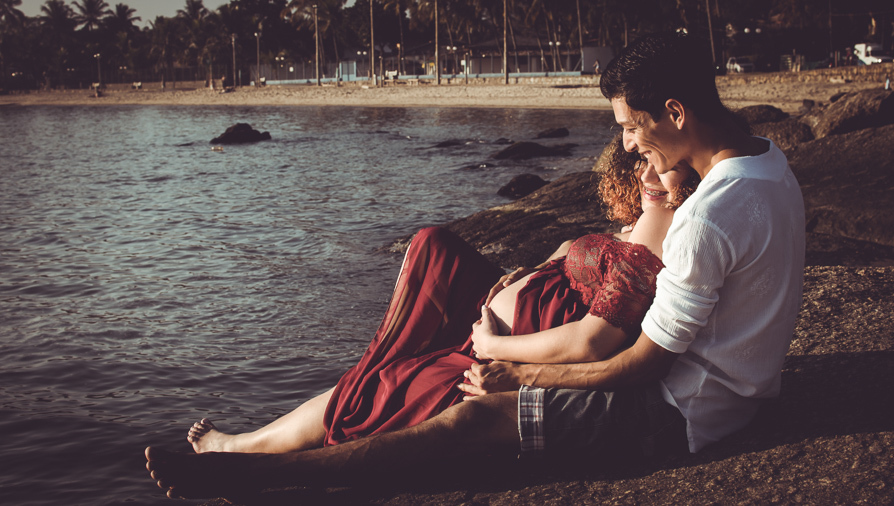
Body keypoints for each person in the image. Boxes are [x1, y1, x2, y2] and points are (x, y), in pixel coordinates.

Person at [146, 32, 805, 499]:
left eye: (632, 127)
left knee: (473, 419)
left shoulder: (711, 213)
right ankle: (274, 446)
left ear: (676, 113)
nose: (628, 144)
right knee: (428, 338)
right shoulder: (767, 163)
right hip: (732, 387)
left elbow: (641, 365)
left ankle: (255, 477)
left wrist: (515, 374)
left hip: (681, 412)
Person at [183, 135, 697, 456]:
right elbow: (591, 259)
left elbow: (593, 342)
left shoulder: (668, 219)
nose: (646, 171)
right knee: (432, 246)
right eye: (640, 158)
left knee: (384, 384)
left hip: (506, 348)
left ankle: (239, 448)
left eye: (657, 161)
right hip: (506, 324)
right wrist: (533, 268)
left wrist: (496, 348)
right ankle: (250, 440)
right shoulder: (652, 212)